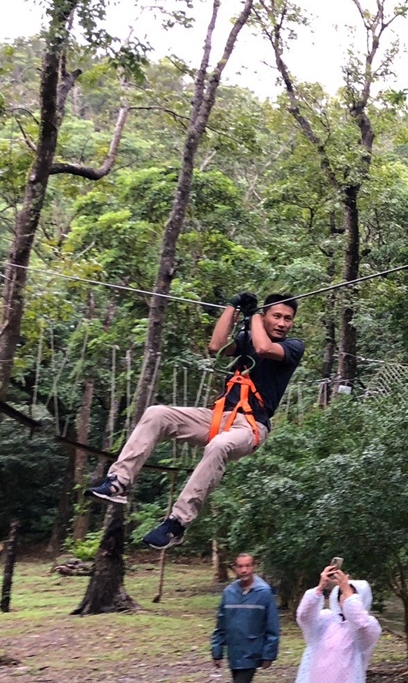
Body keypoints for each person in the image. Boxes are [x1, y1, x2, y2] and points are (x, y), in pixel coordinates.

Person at [86, 292, 305, 548]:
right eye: (276, 316)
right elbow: (215, 345)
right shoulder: (246, 338)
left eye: (287, 319)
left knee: (220, 445)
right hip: (218, 416)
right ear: (266, 317)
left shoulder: (292, 347)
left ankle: (177, 522)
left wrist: (254, 314)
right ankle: (119, 481)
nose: (282, 323)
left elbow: (263, 348)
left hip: (251, 426)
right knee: (157, 413)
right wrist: (231, 306)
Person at [295, 562, 382, 683]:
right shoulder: (326, 619)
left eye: (352, 594)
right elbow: (304, 616)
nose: (345, 597)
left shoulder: (369, 625)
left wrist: (348, 594)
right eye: (342, 593)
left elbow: (362, 624)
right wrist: (320, 588)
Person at [211, 552, 280, 683]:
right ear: (235, 568)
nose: (244, 570)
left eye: (247, 566)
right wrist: (217, 651)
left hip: (252, 652)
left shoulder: (264, 592)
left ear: (253, 567)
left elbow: (272, 624)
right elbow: (221, 623)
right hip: (234, 652)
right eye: (240, 566)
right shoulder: (229, 592)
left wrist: (269, 654)